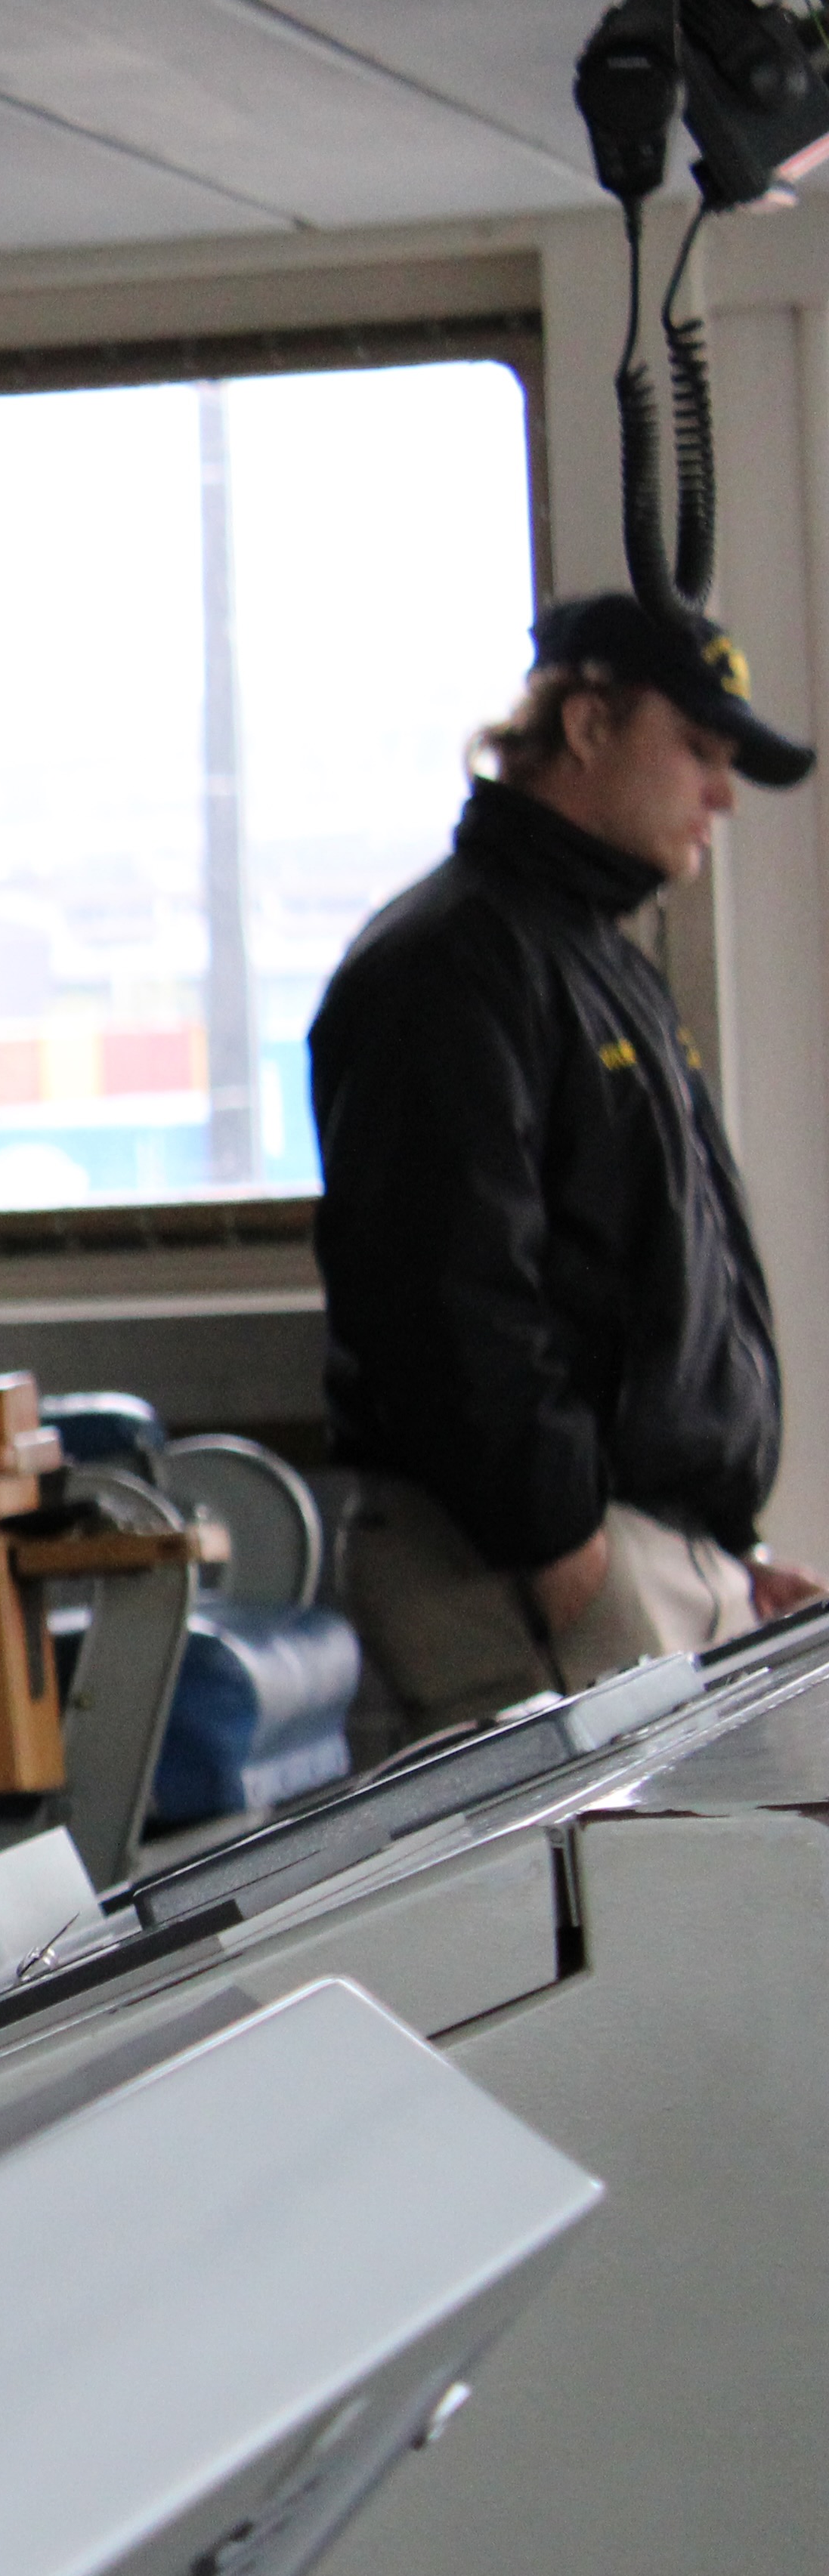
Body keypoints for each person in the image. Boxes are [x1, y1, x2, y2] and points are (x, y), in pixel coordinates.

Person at [314, 590, 824, 1747]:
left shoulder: (597, 963)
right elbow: (448, 1295)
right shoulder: (449, 966)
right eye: (696, 748)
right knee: (601, 1924)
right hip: (518, 1567)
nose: (722, 796)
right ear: (588, 728)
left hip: (639, 1550)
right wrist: (568, 1557)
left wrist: (715, 1558)